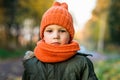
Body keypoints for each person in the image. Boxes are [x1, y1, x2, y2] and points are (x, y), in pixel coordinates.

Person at [22, 1, 98, 80]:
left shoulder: (82, 63)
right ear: (43, 35)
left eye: (62, 31)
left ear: (70, 36)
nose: (56, 36)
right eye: (50, 31)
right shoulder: (31, 64)